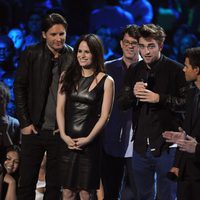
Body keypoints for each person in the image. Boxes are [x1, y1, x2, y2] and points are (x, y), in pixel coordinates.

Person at [118, 24, 186, 200]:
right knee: (143, 195)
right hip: (140, 146)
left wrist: (159, 99)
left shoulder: (176, 70)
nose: (145, 52)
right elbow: (122, 104)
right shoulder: (134, 69)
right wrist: (133, 93)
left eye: (151, 46)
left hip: (167, 146)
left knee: (167, 196)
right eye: (142, 46)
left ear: (161, 46)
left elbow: (186, 104)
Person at [14, 13, 73, 200]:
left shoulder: (72, 55)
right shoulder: (31, 53)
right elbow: (19, 87)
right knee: (27, 184)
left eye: (62, 34)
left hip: (59, 131)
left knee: (55, 186)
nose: (58, 38)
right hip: (34, 129)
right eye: (53, 34)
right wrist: (25, 122)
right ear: (44, 34)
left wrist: (66, 128)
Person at [56, 33, 114, 200]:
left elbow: (105, 116)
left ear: (95, 54)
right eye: (79, 51)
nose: (82, 55)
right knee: (67, 192)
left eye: (86, 52)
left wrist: (88, 139)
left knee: (85, 192)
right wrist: (63, 135)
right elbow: (59, 108)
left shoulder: (107, 81)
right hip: (67, 142)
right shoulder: (66, 76)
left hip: (90, 145)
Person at [101, 24, 140, 200]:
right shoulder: (107, 68)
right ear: (121, 43)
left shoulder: (150, 69)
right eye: (127, 42)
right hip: (110, 140)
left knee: (138, 193)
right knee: (110, 190)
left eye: (135, 42)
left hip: (139, 142)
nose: (130, 46)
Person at [163, 47, 200, 200]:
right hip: (187, 173)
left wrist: (197, 148)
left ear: (197, 69)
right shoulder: (192, 93)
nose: (183, 69)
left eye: (186, 66)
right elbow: (189, 130)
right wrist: (177, 165)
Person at [0, 81, 20, 165]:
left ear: (7, 100)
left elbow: (14, 154)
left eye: (0, 99)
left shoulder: (14, 123)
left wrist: (5, 132)